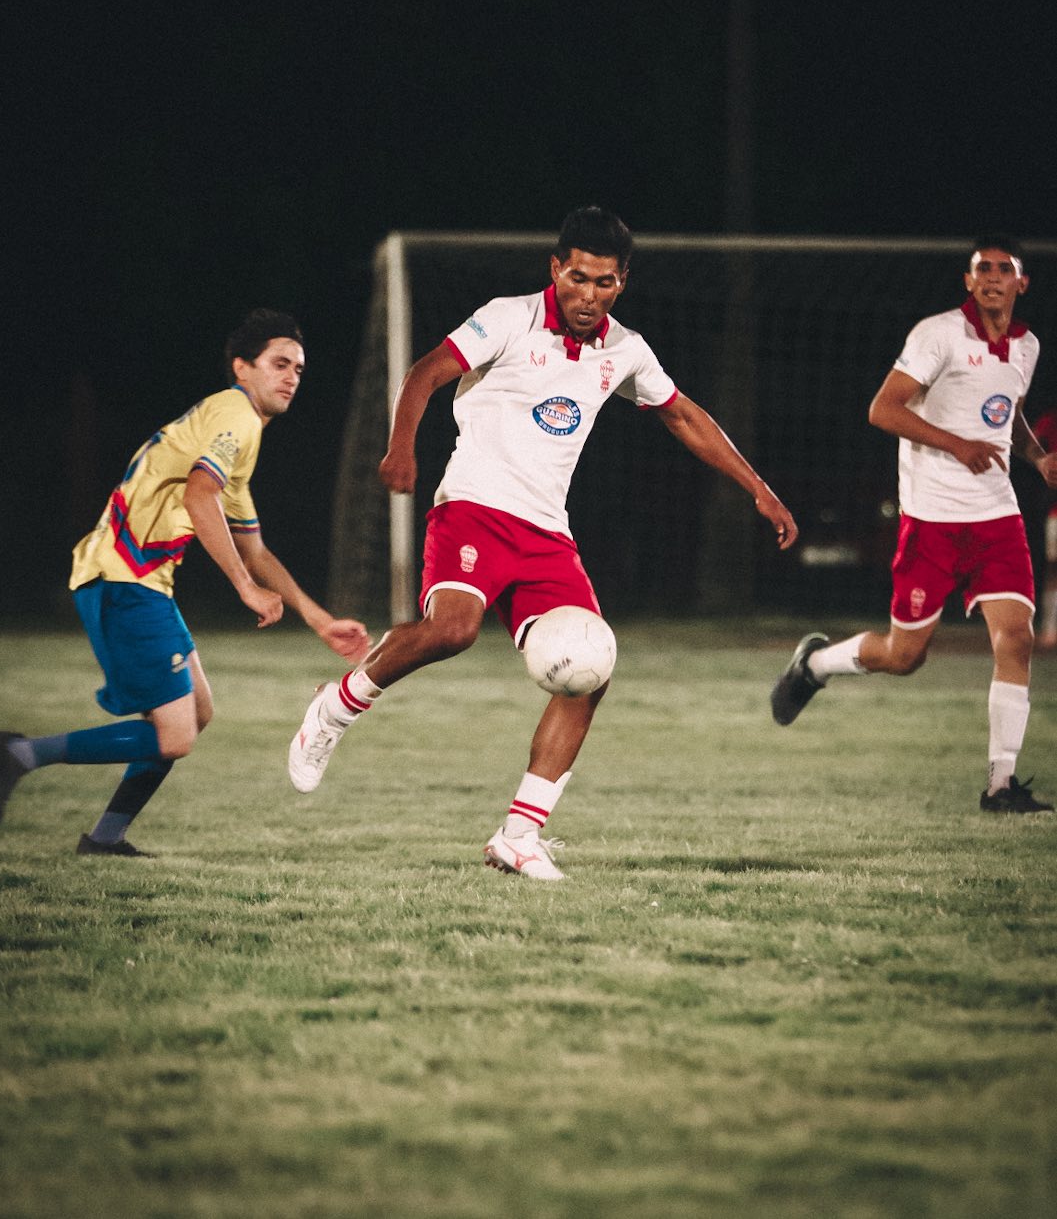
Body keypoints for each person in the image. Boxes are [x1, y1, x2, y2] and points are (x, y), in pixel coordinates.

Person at [288, 206, 798, 879]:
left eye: (605, 283)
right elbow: (426, 371)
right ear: (556, 269)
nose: (588, 295)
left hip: (545, 534)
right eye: (578, 278)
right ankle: (339, 704)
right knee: (453, 631)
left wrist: (756, 487)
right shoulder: (509, 316)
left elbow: (681, 415)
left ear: (622, 283)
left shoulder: (625, 350)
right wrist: (400, 448)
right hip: (472, 507)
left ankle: (519, 835)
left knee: (591, 669)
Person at [0, 310, 370, 854]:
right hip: (122, 579)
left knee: (197, 714)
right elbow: (198, 496)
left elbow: (253, 546)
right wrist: (243, 588)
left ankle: (105, 838)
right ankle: (19, 756)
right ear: (243, 368)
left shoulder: (231, 430)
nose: (291, 377)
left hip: (140, 584)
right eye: (279, 364)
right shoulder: (235, 415)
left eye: (299, 370)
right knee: (176, 735)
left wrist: (318, 619)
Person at [771, 236, 1057, 813]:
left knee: (1018, 639)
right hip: (932, 520)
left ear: (1022, 284)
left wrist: (1036, 457)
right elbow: (884, 408)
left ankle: (1001, 785)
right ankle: (817, 662)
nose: (995, 278)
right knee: (906, 657)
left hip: (996, 517)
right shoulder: (938, 334)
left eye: (1006, 270)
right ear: (968, 282)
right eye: (984, 270)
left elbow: (1010, 414)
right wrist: (957, 445)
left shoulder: (1027, 345)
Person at [1032, 404, 1057, 650]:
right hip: (1056, 509)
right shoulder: (1051, 419)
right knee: (1053, 570)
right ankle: (1050, 629)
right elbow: (1030, 442)